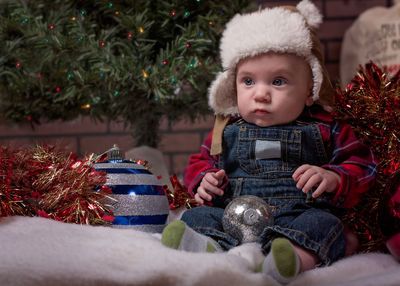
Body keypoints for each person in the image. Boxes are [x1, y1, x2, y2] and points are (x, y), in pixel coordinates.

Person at [161, 0, 377, 284]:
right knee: (198, 216)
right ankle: (207, 247)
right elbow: (199, 161)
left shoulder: (326, 128)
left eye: (278, 82)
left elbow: (363, 163)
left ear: (309, 90)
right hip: (232, 216)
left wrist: (334, 177)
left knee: (326, 225)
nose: (260, 94)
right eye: (248, 81)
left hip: (298, 215)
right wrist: (204, 180)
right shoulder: (227, 130)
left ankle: (291, 258)